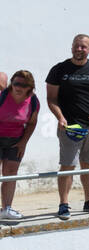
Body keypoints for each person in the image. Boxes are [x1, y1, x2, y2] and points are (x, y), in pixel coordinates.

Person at [45, 34, 89, 220]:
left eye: (83, 46)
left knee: (88, 165)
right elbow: (51, 98)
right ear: (72, 47)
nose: (79, 49)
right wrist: (59, 117)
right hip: (70, 125)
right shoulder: (60, 69)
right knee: (67, 165)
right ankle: (64, 204)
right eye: (76, 45)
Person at [0, 71, 40, 221]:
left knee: (10, 174)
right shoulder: (2, 96)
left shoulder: (33, 101)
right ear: (12, 83)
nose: (19, 87)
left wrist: (23, 142)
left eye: (23, 85)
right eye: (16, 83)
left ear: (29, 87)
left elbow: (31, 123)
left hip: (16, 140)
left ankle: (6, 209)